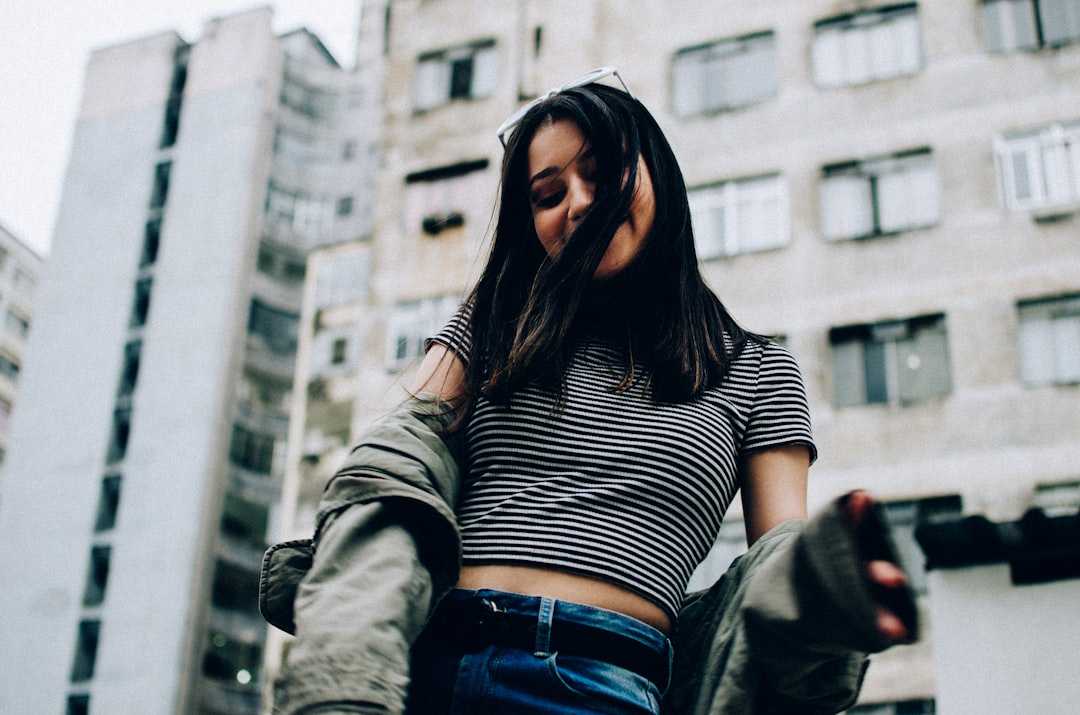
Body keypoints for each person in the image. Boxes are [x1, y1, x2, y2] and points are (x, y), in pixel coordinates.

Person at [269, 68, 913, 715]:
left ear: (657, 175)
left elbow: (773, 576)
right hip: (432, 667)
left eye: (600, 174)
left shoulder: (759, 371)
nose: (577, 202)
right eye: (548, 194)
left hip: (606, 682)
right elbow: (393, 468)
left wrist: (835, 577)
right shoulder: (491, 324)